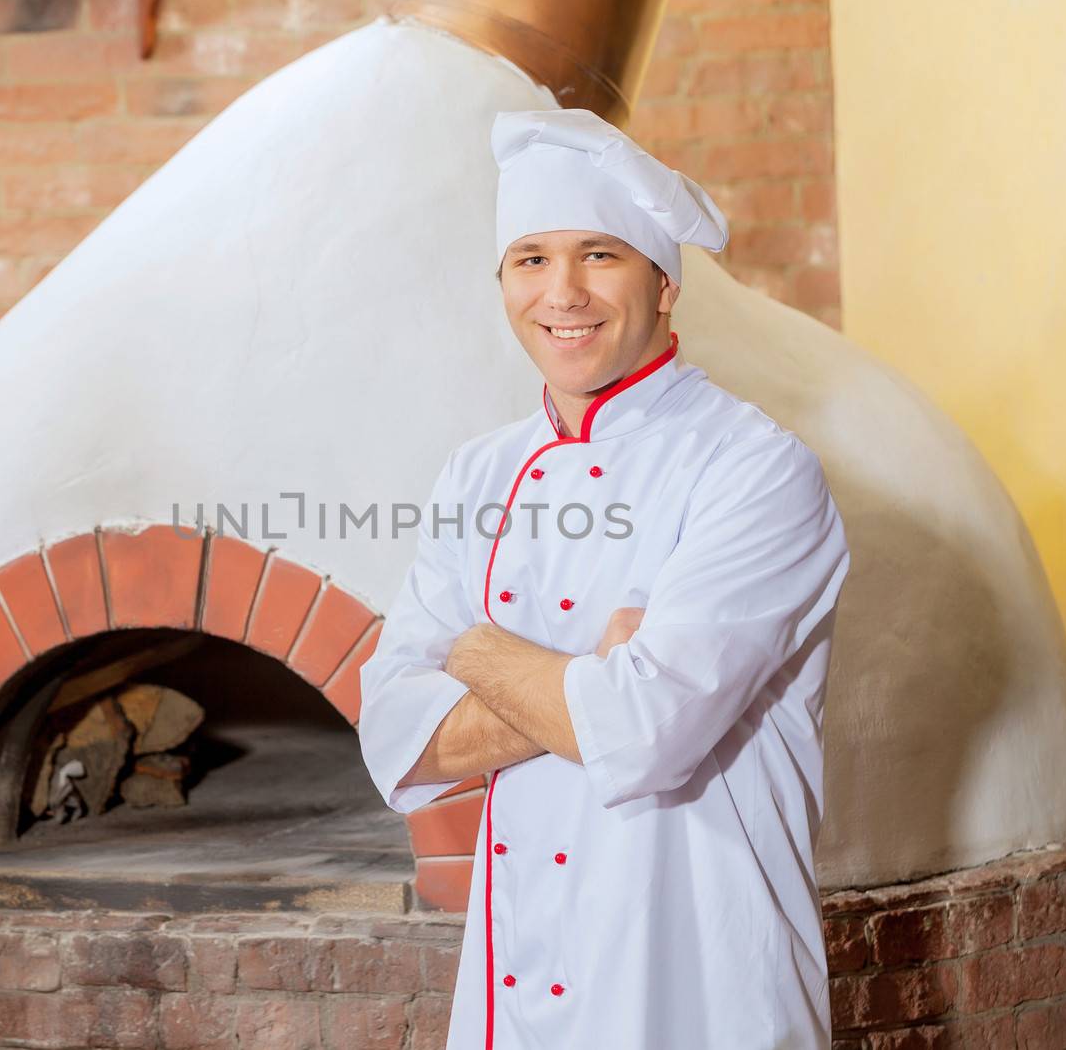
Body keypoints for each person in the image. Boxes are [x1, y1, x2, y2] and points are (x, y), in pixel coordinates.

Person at [356, 107, 851, 1049]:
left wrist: (473, 653)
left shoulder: (756, 468)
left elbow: (645, 732)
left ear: (665, 283)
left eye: (599, 254)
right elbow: (394, 737)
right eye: (531, 258)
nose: (563, 291)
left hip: (697, 971)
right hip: (520, 962)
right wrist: (583, 668)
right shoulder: (479, 473)